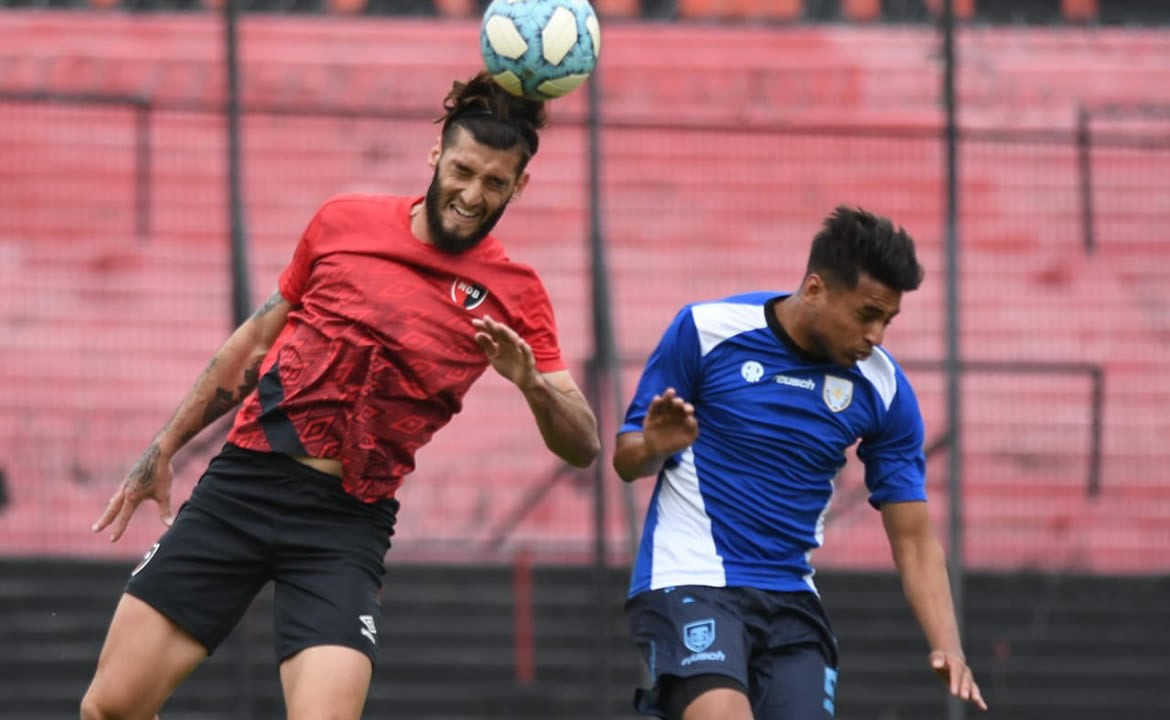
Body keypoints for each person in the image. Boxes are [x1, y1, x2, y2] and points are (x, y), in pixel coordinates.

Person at [81, 72, 600, 720]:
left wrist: (530, 386)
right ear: (437, 152)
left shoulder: (516, 293)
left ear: (519, 186)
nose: (472, 194)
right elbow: (254, 341)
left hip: (343, 525)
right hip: (242, 489)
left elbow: (582, 445)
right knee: (111, 708)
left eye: (495, 183)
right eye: (463, 170)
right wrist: (164, 447)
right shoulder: (342, 222)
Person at [613, 207, 987, 720]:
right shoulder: (706, 330)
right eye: (866, 314)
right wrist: (654, 444)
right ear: (814, 289)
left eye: (887, 320)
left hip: (790, 600)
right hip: (690, 578)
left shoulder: (884, 388)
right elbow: (627, 461)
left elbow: (915, 538)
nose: (876, 335)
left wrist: (949, 643)